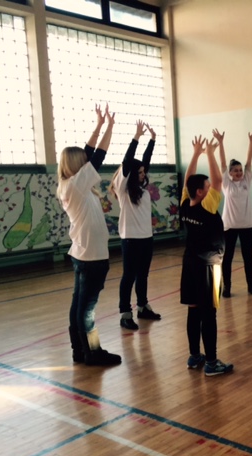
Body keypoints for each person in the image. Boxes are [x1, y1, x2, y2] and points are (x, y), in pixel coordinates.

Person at [57, 104, 121, 366]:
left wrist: (99, 125)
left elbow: (90, 152)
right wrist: (110, 128)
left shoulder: (72, 185)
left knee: (79, 306)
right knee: (87, 309)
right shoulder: (76, 185)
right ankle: (92, 352)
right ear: (78, 166)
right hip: (91, 257)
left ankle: (79, 351)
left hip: (83, 254)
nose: (87, 164)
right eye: (83, 162)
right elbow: (98, 155)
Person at [180, 134, 234, 376]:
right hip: (210, 267)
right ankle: (211, 362)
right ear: (201, 192)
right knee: (209, 314)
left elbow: (187, 181)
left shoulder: (186, 203)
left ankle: (195, 356)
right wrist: (210, 152)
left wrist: (195, 154)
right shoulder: (207, 207)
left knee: (193, 311)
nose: (211, 187)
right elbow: (219, 180)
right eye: (207, 187)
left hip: (189, 265)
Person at [109, 120, 161, 331]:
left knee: (143, 275)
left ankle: (142, 307)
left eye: (143, 172)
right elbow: (128, 160)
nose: (143, 174)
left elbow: (145, 161)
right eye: (139, 172)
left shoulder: (143, 189)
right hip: (130, 239)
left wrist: (153, 140)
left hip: (146, 238)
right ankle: (125, 313)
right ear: (130, 174)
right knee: (129, 276)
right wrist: (136, 137)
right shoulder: (122, 189)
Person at [212, 128, 252, 298]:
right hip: (230, 226)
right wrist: (220, 142)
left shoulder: (247, 180)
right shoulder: (226, 184)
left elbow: (249, 162)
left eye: (240, 170)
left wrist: (251, 142)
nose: (239, 173)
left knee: (248, 257)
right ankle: (227, 287)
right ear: (230, 173)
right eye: (236, 170)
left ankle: (251, 285)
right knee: (228, 258)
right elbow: (222, 163)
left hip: (247, 225)